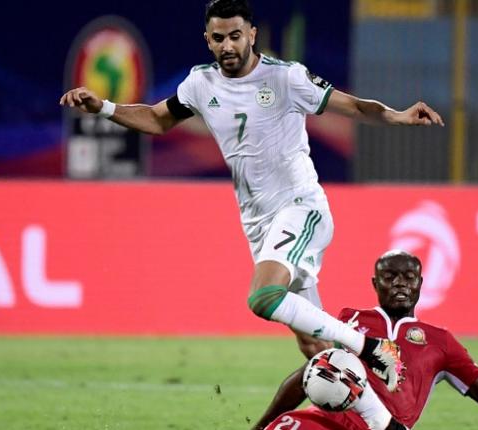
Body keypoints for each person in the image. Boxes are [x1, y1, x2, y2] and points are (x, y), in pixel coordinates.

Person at [61, 0, 443, 386]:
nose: (227, 46)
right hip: (257, 221)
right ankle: (377, 417)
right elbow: (158, 120)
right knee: (315, 347)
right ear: (207, 40)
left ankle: (372, 347)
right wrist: (105, 107)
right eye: (218, 38)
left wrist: (397, 114)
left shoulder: (286, 78)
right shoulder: (200, 83)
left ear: (252, 35)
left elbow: (354, 106)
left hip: (300, 207)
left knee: (263, 297)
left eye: (235, 36)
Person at [254, 250, 478, 430]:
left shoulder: (441, 342)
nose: (400, 283)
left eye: (409, 277)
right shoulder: (349, 320)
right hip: (322, 420)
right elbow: (314, 373)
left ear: (420, 284)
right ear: (375, 283)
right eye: (390, 276)